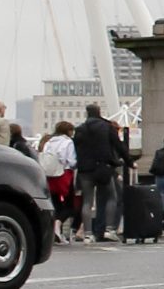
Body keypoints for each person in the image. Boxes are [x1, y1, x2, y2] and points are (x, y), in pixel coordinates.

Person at [76, 103, 124, 242]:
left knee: (87, 201)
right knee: (112, 196)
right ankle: (109, 229)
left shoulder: (80, 129)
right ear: (99, 112)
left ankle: (87, 234)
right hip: (102, 168)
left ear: (87, 113)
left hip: (85, 169)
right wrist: (123, 161)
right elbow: (117, 146)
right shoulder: (106, 127)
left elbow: (77, 149)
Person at [37, 121, 79, 242]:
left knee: (55, 203)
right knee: (70, 206)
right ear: (68, 131)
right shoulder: (68, 142)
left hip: (50, 176)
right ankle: (58, 224)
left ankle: (55, 231)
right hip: (64, 174)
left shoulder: (49, 141)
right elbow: (70, 160)